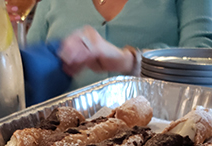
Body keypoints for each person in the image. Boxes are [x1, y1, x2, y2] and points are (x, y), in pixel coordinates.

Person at [24, 0, 212, 103]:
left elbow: (203, 62)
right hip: (61, 140)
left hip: (162, 137)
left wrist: (129, 61)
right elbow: (21, 80)